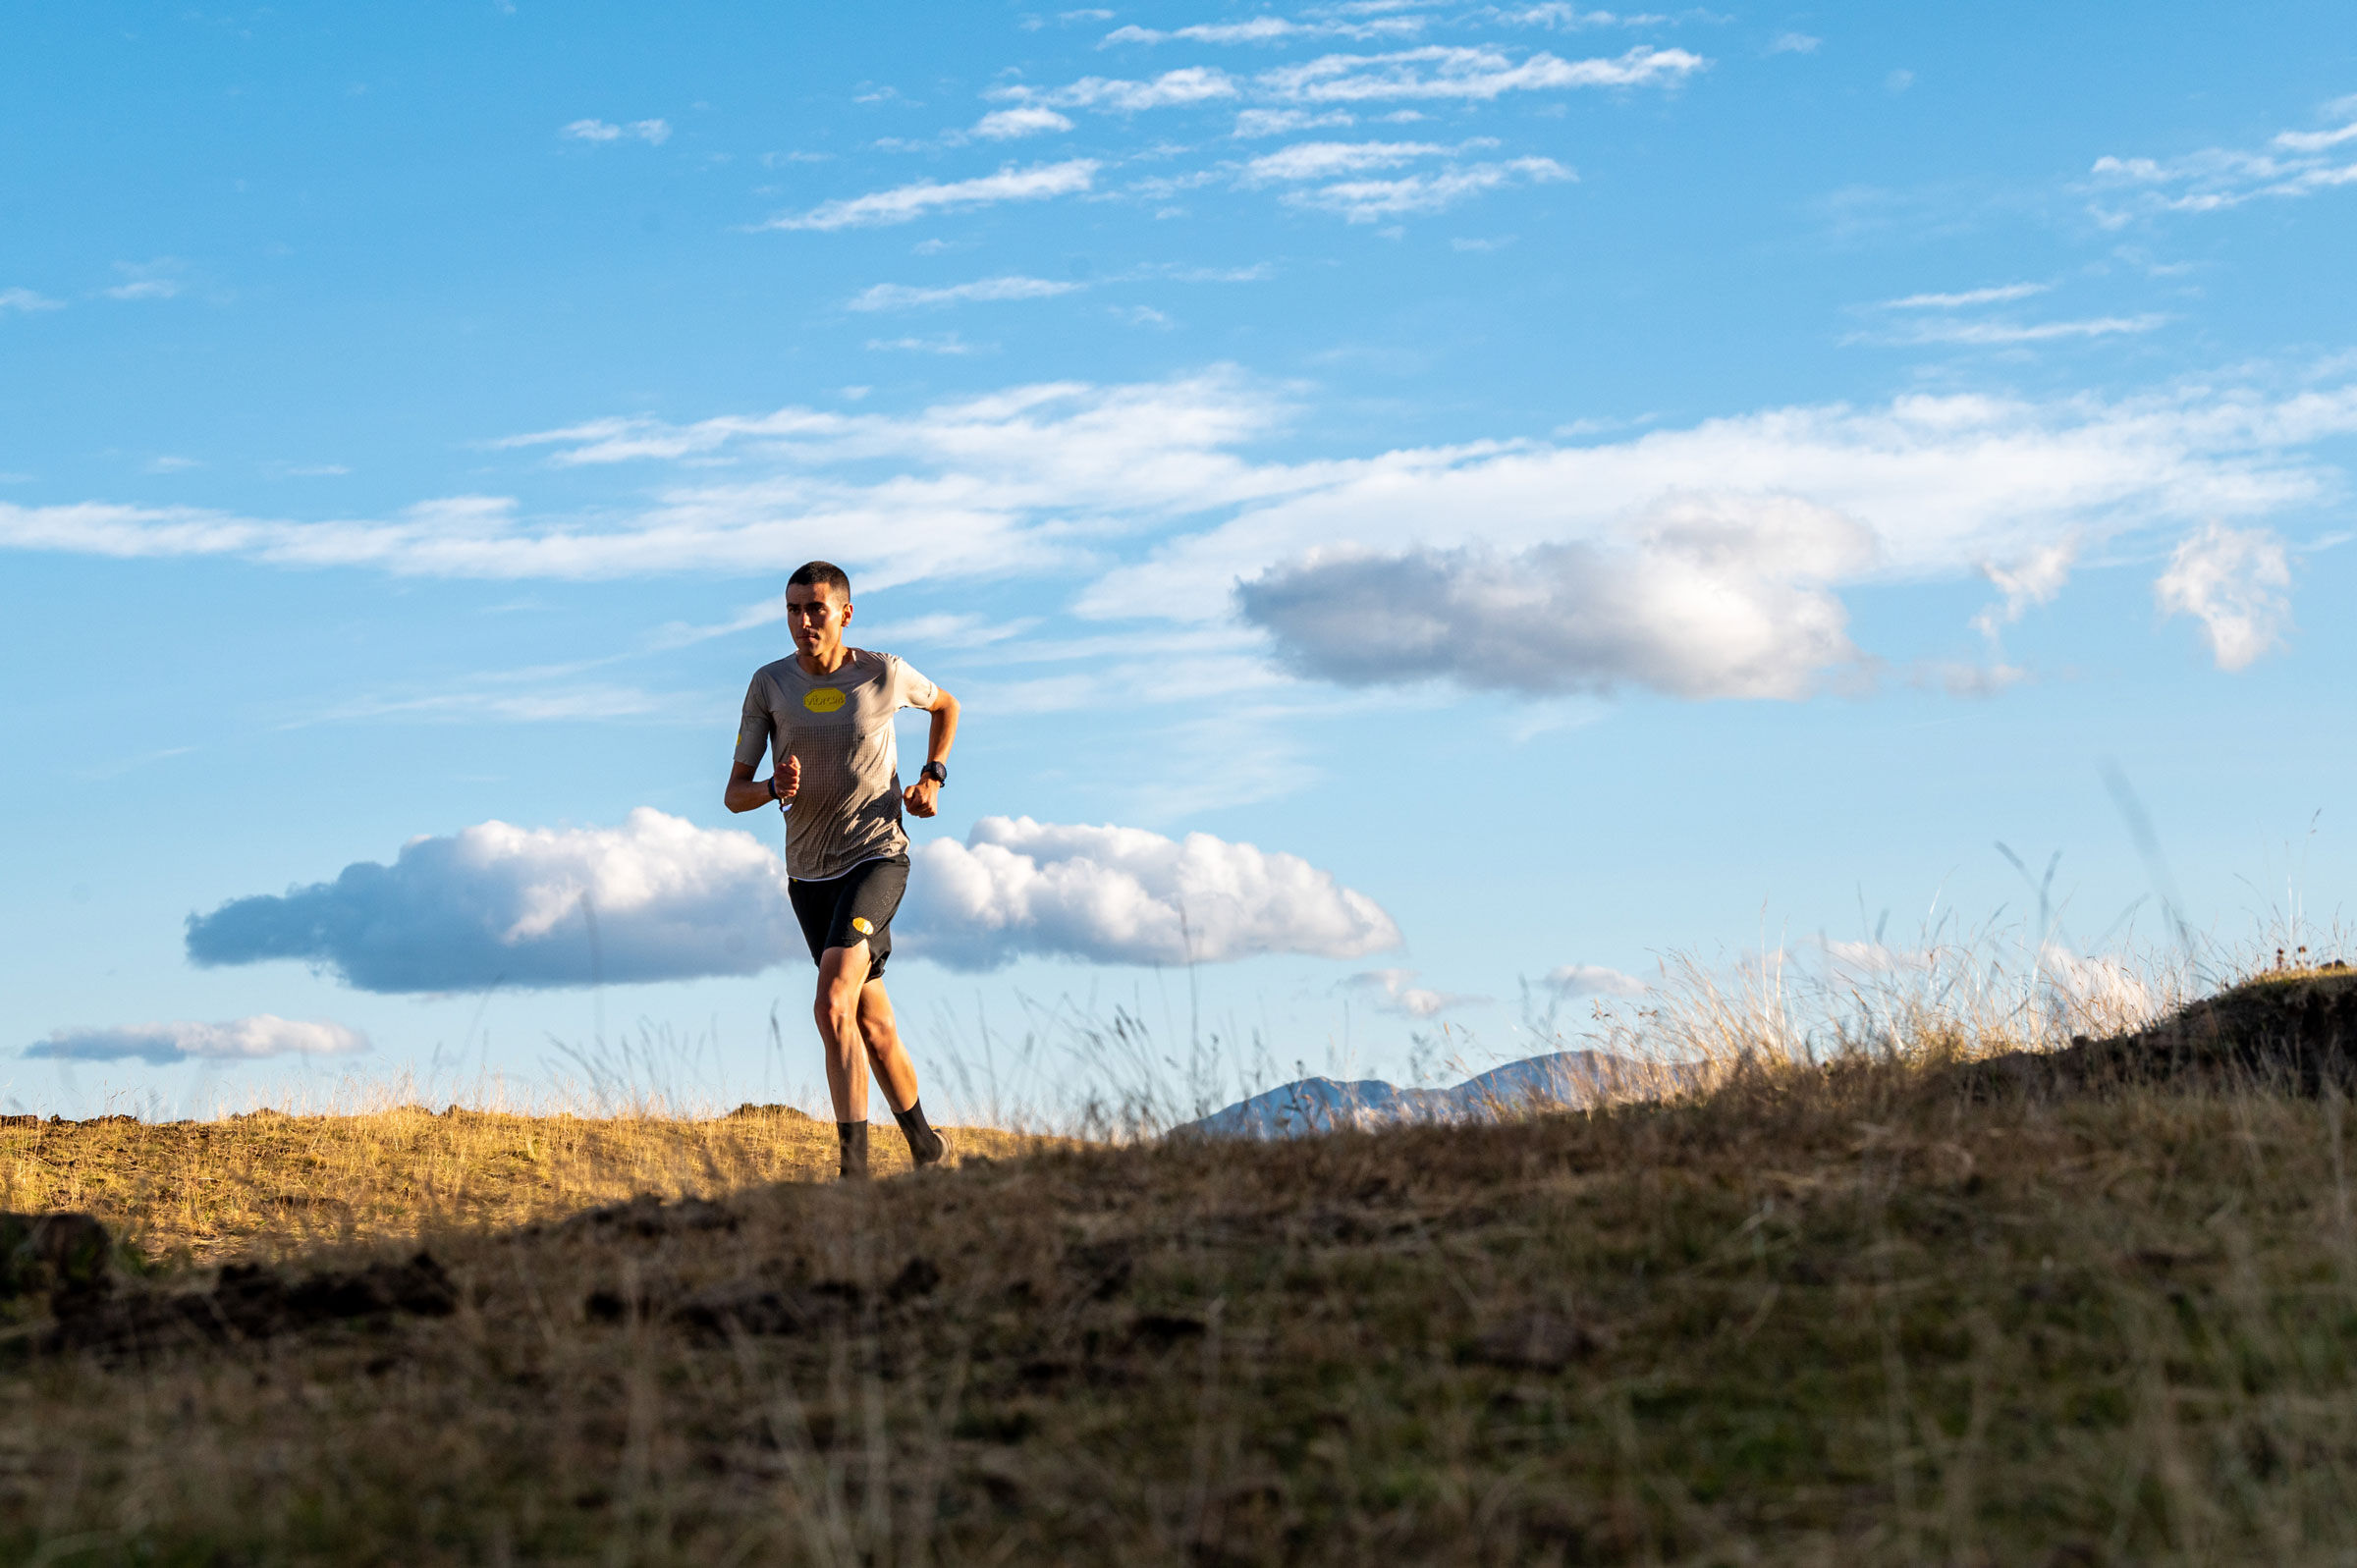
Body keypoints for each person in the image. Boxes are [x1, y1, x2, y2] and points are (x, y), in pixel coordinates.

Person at [725, 561, 960, 1179]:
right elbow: (734, 793)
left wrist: (933, 776)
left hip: (877, 854)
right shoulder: (769, 685)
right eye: (793, 610)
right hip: (809, 875)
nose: (804, 622)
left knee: (832, 1002)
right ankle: (929, 1150)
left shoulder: (883, 672)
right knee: (871, 1022)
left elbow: (947, 706)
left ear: (845, 614)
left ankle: (853, 1176)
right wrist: (774, 784)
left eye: (817, 609)